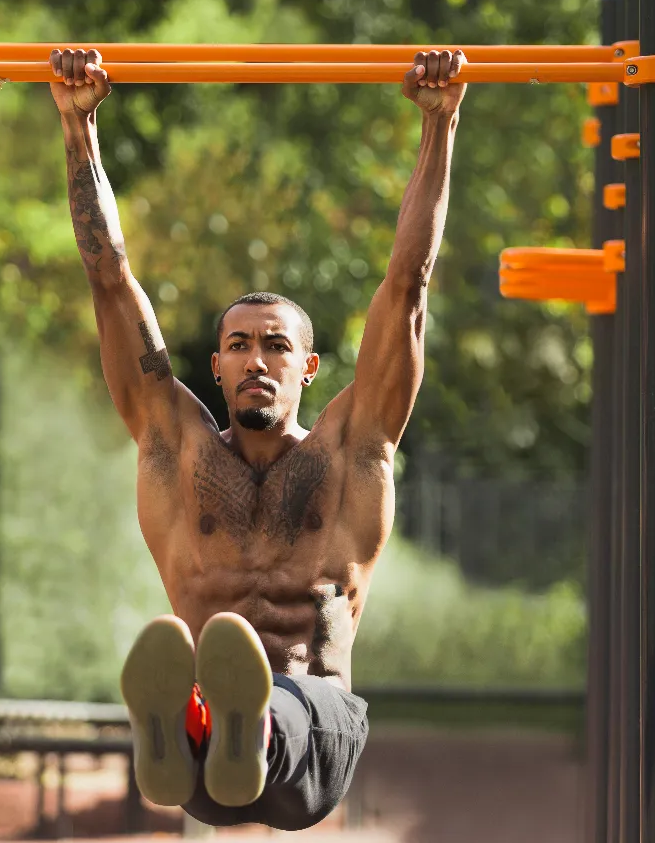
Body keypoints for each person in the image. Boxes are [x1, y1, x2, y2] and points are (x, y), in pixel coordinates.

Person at [49, 45, 467, 832]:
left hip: (318, 730)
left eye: (275, 344)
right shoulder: (178, 449)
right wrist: (81, 127)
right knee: (211, 722)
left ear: (308, 366)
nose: (255, 360)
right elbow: (110, 275)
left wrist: (438, 124)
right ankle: (193, 730)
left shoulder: (352, 453)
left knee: (278, 710)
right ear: (214, 364)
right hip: (210, 771)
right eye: (238, 345)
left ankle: (242, 725)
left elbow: (408, 284)